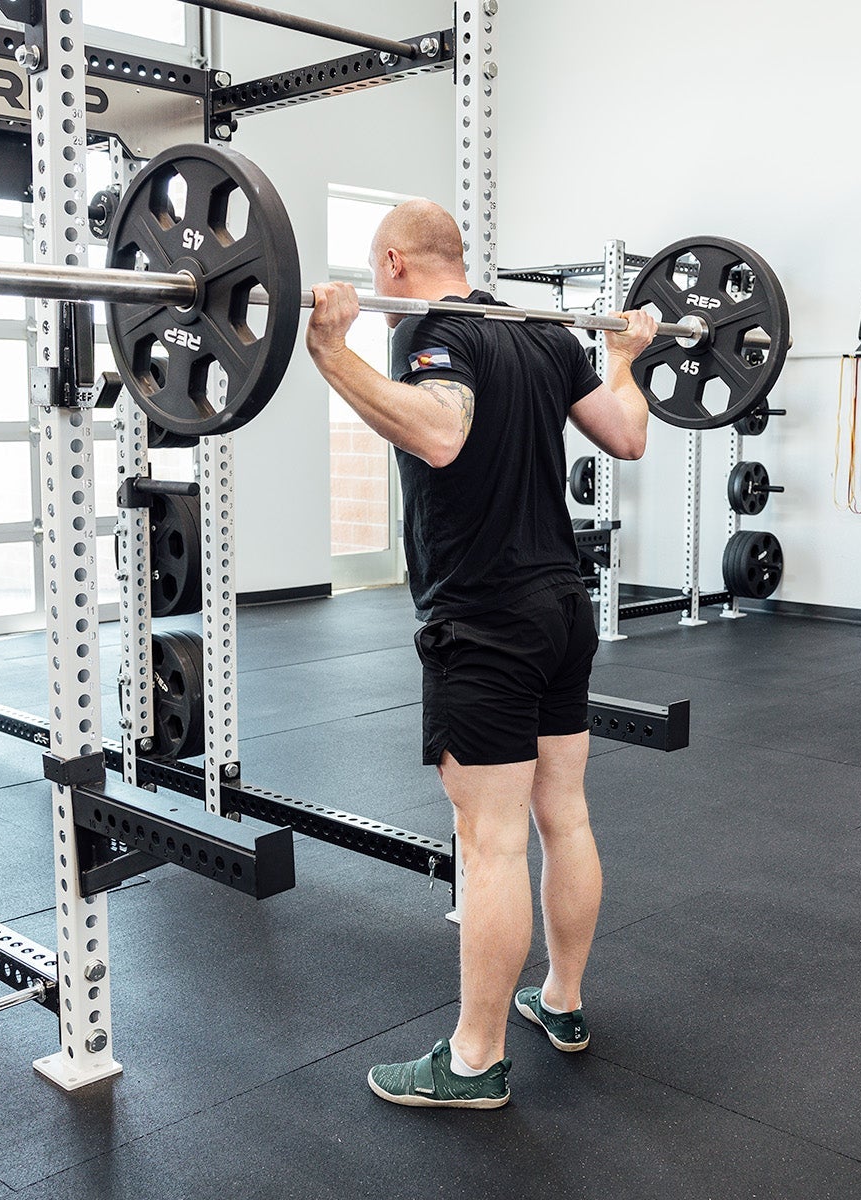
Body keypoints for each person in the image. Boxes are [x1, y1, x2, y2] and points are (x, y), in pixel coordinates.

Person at [305, 199, 658, 1109]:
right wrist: (625, 359)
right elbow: (627, 434)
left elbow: (440, 430)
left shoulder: (433, 333)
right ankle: (563, 1003)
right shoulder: (538, 334)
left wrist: (331, 353)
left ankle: (473, 1060)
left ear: (393, 262)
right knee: (564, 817)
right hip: (561, 605)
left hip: (487, 619)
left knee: (490, 842)